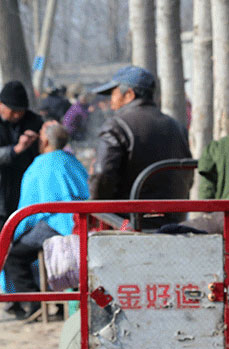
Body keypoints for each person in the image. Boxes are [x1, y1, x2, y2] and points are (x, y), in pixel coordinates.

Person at [4, 122, 88, 320]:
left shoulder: (39, 166)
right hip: (80, 223)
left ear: (46, 140)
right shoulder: (74, 162)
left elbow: (27, 210)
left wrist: (13, 235)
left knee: (15, 255)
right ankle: (58, 305)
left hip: (56, 224)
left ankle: (35, 304)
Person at [88, 66, 191, 227]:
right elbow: (187, 176)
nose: (111, 102)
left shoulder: (117, 125)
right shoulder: (176, 126)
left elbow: (102, 175)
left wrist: (99, 210)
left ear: (129, 94)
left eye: (114, 94)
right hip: (173, 221)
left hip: (129, 222)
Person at [0, 80, 43, 227]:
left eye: (21, 110)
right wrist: (16, 149)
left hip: (24, 186)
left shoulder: (34, 121)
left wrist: (37, 141)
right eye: (13, 110)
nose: (17, 115)